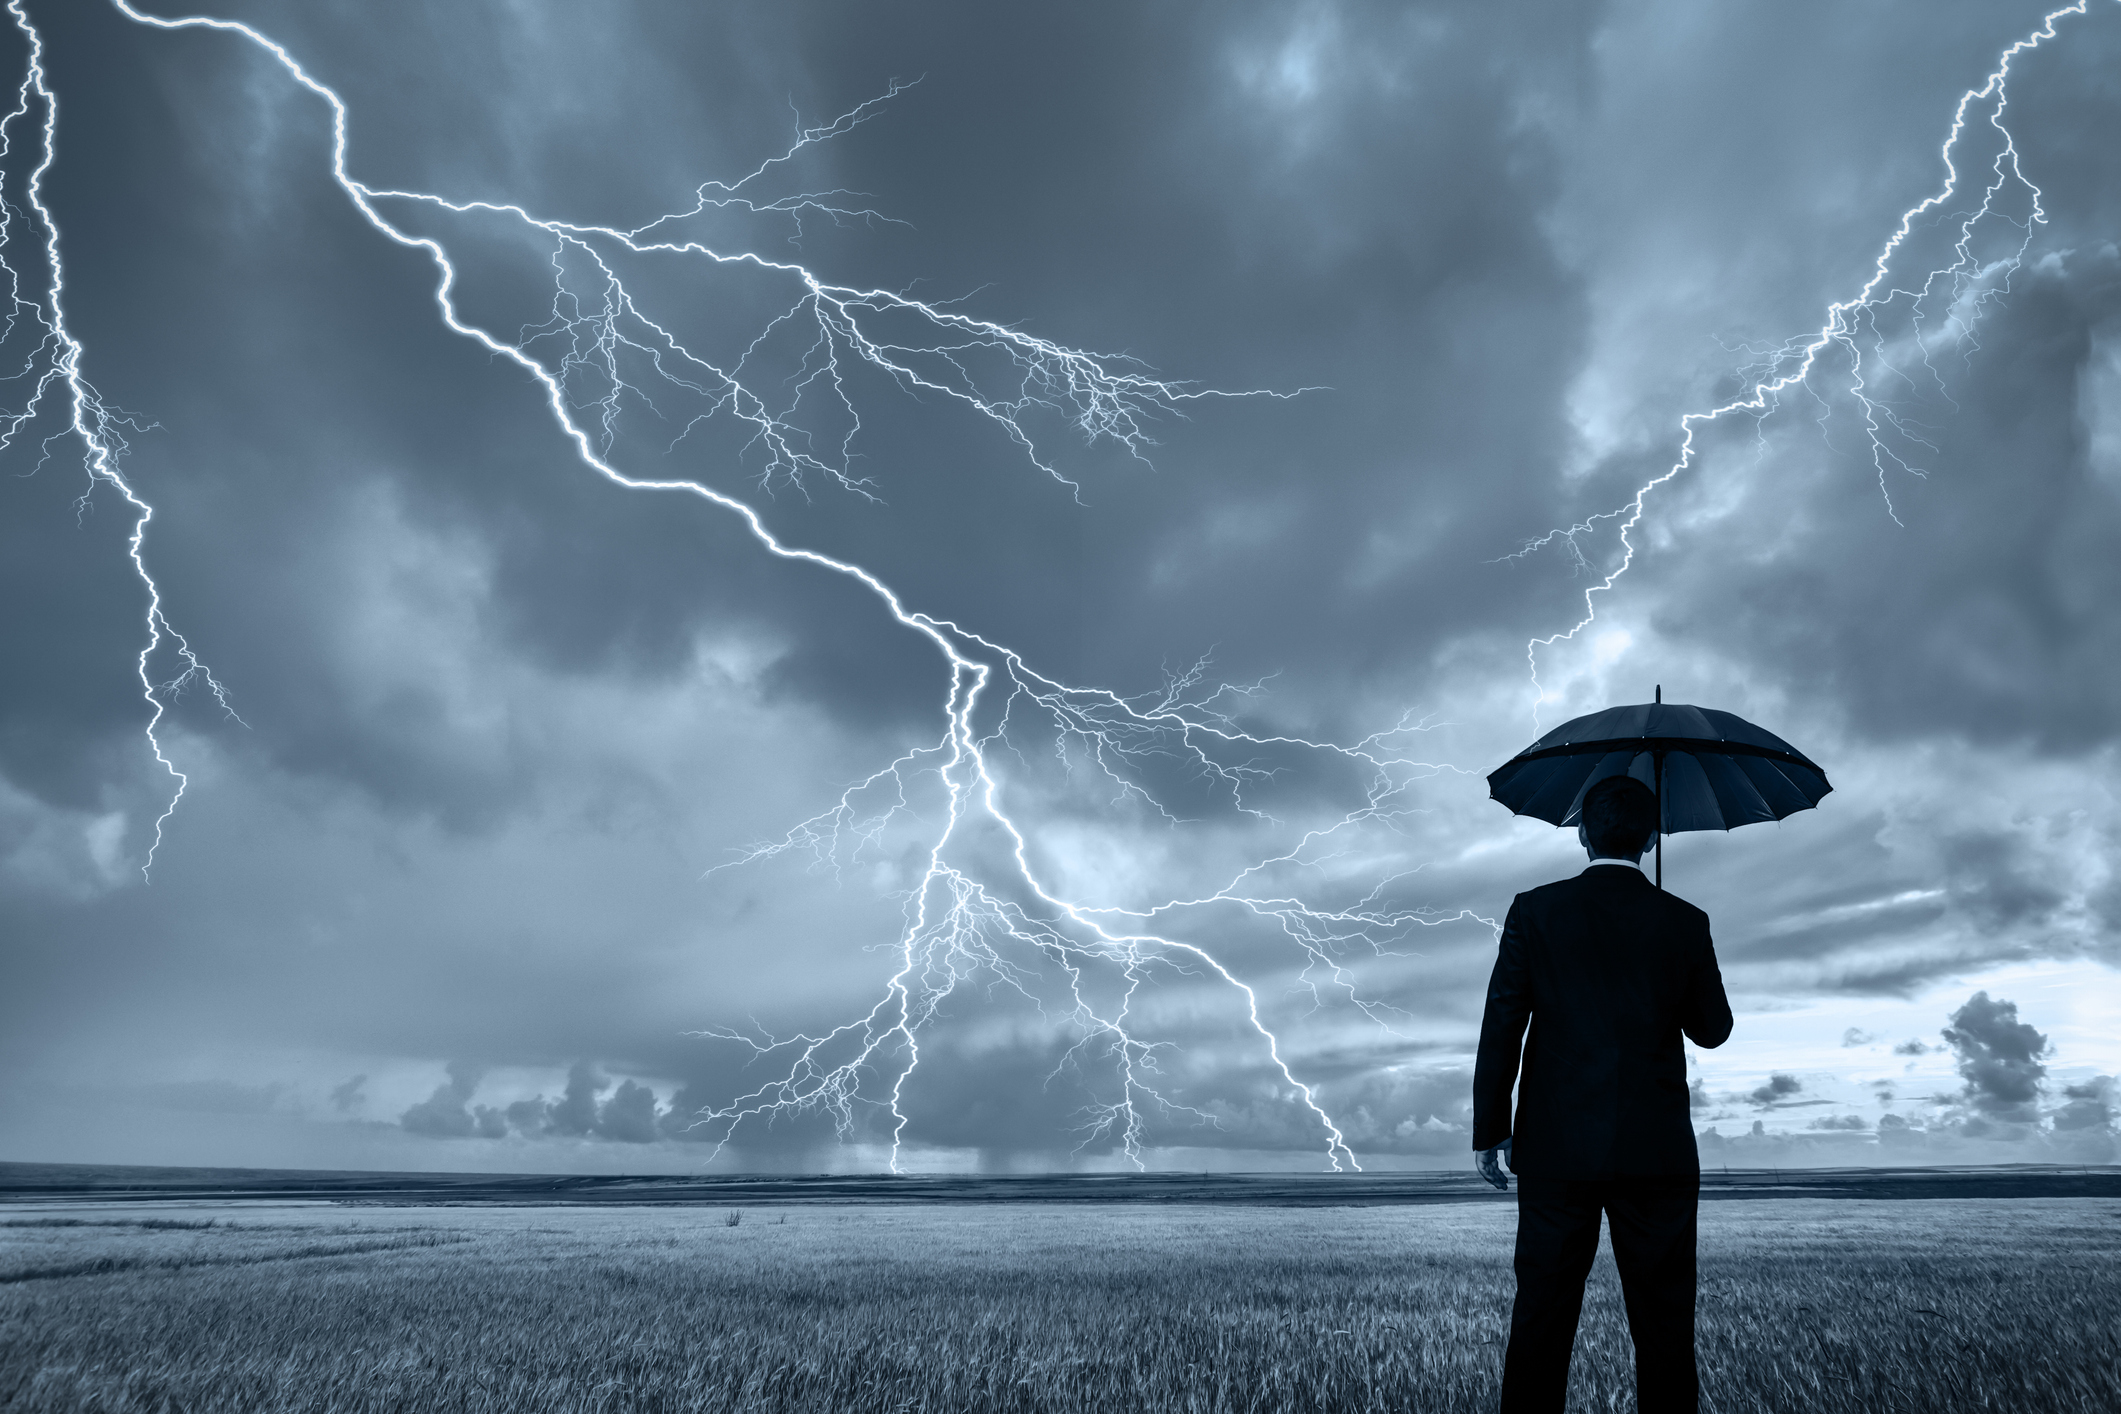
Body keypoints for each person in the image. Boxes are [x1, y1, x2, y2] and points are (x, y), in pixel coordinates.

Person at [1471, 773, 1733, 1414]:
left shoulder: (1534, 910)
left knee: (1541, 1319)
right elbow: (1714, 1030)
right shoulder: (1684, 920)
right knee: (1665, 1323)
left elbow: (1503, 1021)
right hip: (1657, 1153)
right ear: (1650, 838)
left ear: (1583, 834)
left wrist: (1490, 1128)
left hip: (1556, 1149)